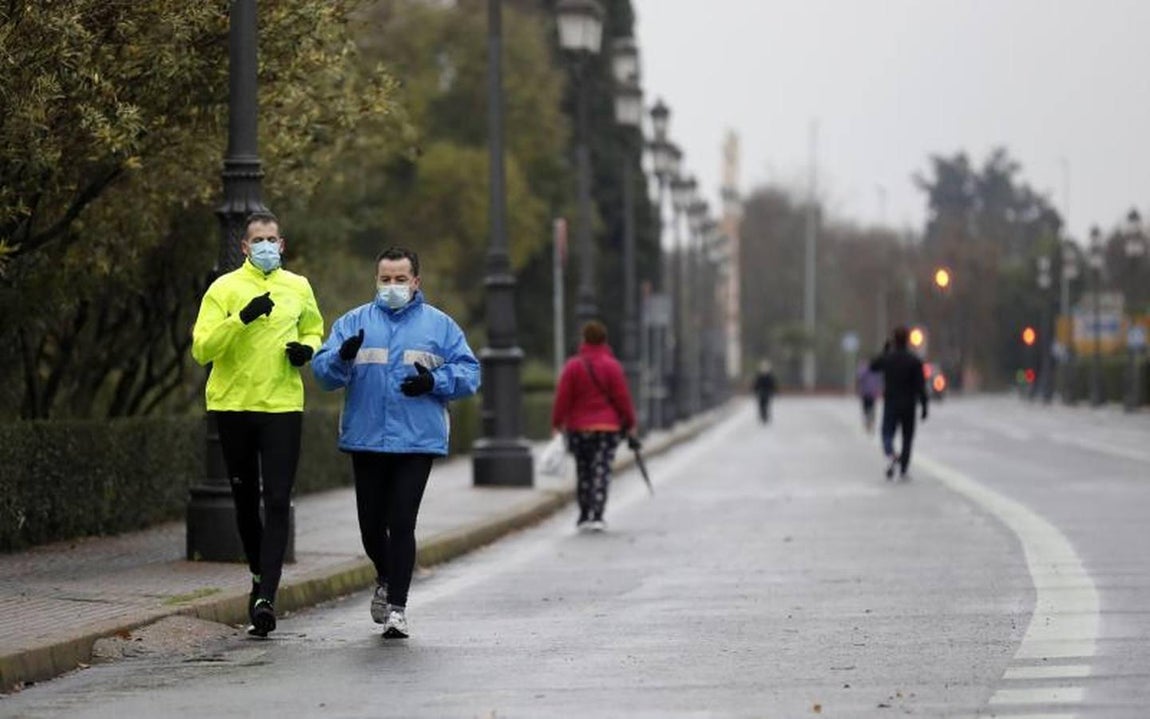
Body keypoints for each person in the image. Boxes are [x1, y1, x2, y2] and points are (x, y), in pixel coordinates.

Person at [311, 247, 479, 639]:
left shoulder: (440, 326)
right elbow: (322, 374)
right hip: (366, 438)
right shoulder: (354, 321)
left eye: (400, 279)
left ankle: (397, 609)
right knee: (371, 528)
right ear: (376, 280)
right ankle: (386, 577)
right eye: (385, 279)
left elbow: (470, 373)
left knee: (401, 522)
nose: (392, 286)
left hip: (416, 441)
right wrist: (341, 358)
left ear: (416, 282)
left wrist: (433, 382)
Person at [191, 211, 324, 637]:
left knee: (279, 498)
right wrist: (241, 318)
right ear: (245, 248)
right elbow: (202, 349)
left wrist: (306, 349)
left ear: (281, 245)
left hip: (283, 406)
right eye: (258, 240)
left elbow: (315, 330)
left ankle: (266, 596)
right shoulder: (223, 289)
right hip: (234, 406)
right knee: (246, 504)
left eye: (273, 239)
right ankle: (256, 575)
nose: (266, 246)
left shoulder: (298, 287)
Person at [551, 320, 638, 533]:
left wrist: (557, 423)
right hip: (607, 428)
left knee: (583, 470)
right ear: (604, 340)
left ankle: (583, 513)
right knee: (601, 470)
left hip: (579, 428)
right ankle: (597, 513)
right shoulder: (612, 366)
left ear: (584, 339)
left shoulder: (573, 366)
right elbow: (622, 398)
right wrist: (631, 423)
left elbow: (563, 397)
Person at [870, 327, 928, 479]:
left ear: (894, 341)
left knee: (887, 432)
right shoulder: (914, 360)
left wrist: (885, 351)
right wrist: (924, 406)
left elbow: (873, 366)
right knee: (907, 437)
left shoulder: (888, 358)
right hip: (909, 404)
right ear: (907, 340)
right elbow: (920, 385)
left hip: (891, 403)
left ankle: (891, 453)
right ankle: (903, 468)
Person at [856, 346, 886, 433]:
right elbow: (880, 379)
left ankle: (869, 420)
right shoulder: (876, 369)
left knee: (868, 407)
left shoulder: (864, 367)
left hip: (867, 391)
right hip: (870, 392)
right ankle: (870, 419)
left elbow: (860, 377)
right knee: (870, 407)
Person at [752, 359, 778, 424]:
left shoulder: (769, 376)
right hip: (761, 392)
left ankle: (765, 416)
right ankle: (762, 415)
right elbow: (756, 384)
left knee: (766, 405)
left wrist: (773, 391)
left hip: (767, 392)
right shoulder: (759, 375)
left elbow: (772, 384)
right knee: (761, 405)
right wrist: (755, 390)